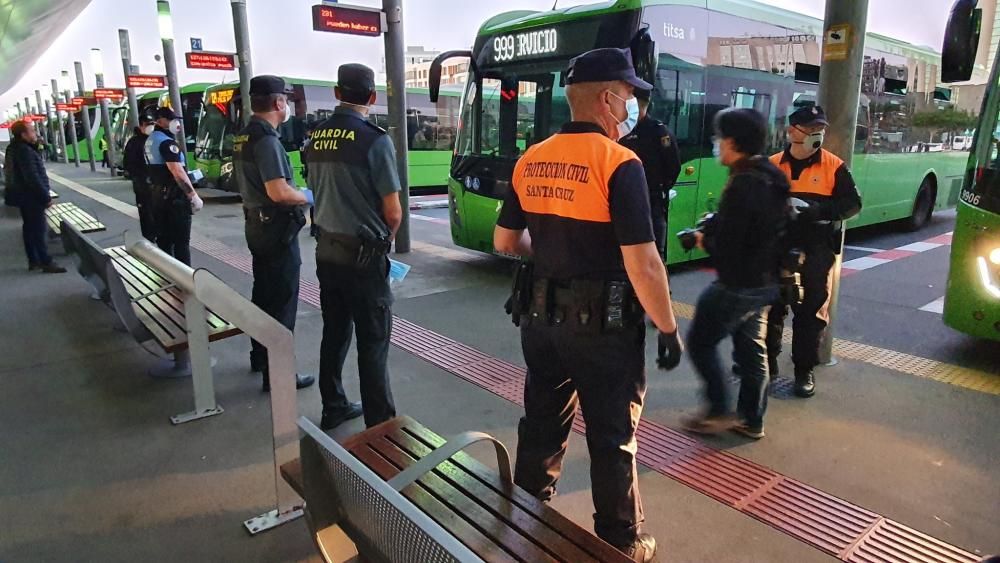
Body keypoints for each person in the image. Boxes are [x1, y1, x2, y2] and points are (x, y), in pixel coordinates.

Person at [493, 48, 683, 562]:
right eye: (629, 97)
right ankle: (621, 542)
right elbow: (643, 264)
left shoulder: (530, 158)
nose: (632, 108)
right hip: (604, 329)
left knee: (541, 423)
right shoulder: (621, 163)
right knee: (612, 433)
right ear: (607, 98)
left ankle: (526, 519)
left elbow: (506, 242)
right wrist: (667, 327)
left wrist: (555, 250)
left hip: (541, 320)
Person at [681, 108, 789, 440]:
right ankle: (751, 419)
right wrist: (717, 222)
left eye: (718, 138)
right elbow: (759, 226)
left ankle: (718, 411)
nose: (715, 145)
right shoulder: (771, 174)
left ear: (731, 142)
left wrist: (699, 238)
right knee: (750, 348)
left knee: (700, 342)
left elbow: (728, 247)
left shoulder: (742, 183)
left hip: (738, 284)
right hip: (767, 282)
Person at [308, 63, 403, 431]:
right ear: (372, 97)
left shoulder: (315, 136)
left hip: (326, 252)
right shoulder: (374, 140)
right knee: (373, 341)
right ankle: (381, 428)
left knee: (334, 331)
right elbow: (392, 212)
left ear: (336, 93)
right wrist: (385, 242)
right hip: (364, 260)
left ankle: (333, 404)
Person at [765, 106, 862, 397]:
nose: (816, 134)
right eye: (809, 128)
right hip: (777, 248)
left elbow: (853, 204)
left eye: (820, 128)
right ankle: (767, 366)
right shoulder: (772, 165)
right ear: (792, 131)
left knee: (810, 314)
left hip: (816, 249)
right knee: (771, 308)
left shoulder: (834, 166)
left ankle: (803, 370)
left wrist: (818, 211)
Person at [232, 75, 316, 393]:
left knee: (263, 295)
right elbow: (279, 191)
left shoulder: (244, 136)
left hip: (256, 225)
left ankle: (259, 356)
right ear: (279, 103)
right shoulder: (267, 141)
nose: (290, 105)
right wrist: (310, 195)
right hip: (275, 230)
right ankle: (278, 373)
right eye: (288, 99)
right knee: (282, 302)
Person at [619, 88, 682, 260]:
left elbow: (673, 166)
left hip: (651, 202)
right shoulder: (622, 130)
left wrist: (659, 189)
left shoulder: (658, 131)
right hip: (624, 201)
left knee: (653, 255)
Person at [3, 120, 66, 273]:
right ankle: (45, 261)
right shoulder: (24, 151)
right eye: (31, 130)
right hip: (30, 196)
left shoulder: (15, 148)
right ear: (24, 134)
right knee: (38, 229)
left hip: (22, 195)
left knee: (29, 228)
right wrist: (46, 197)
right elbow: (32, 177)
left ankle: (34, 260)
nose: (35, 134)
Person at [144, 107, 203, 266]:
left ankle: (168, 277)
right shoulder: (167, 143)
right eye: (171, 119)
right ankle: (186, 281)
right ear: (161, 120)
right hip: (174, 199)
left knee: (164, 241)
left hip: (157, 196)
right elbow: (177, 171)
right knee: (181, 243)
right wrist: (193, 196)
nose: (175, 123)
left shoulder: (151, 139)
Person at [123, 117, 156, 241]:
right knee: (146, 212)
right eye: (148, 124)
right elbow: (128, 163)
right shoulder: (134, 142)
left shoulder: (154, 139)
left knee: (156, 210)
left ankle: (156, 234)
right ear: (141, 125)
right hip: (142, 183)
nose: (151, 126)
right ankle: (149, 237)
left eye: (153, 123)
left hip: (155, 183)